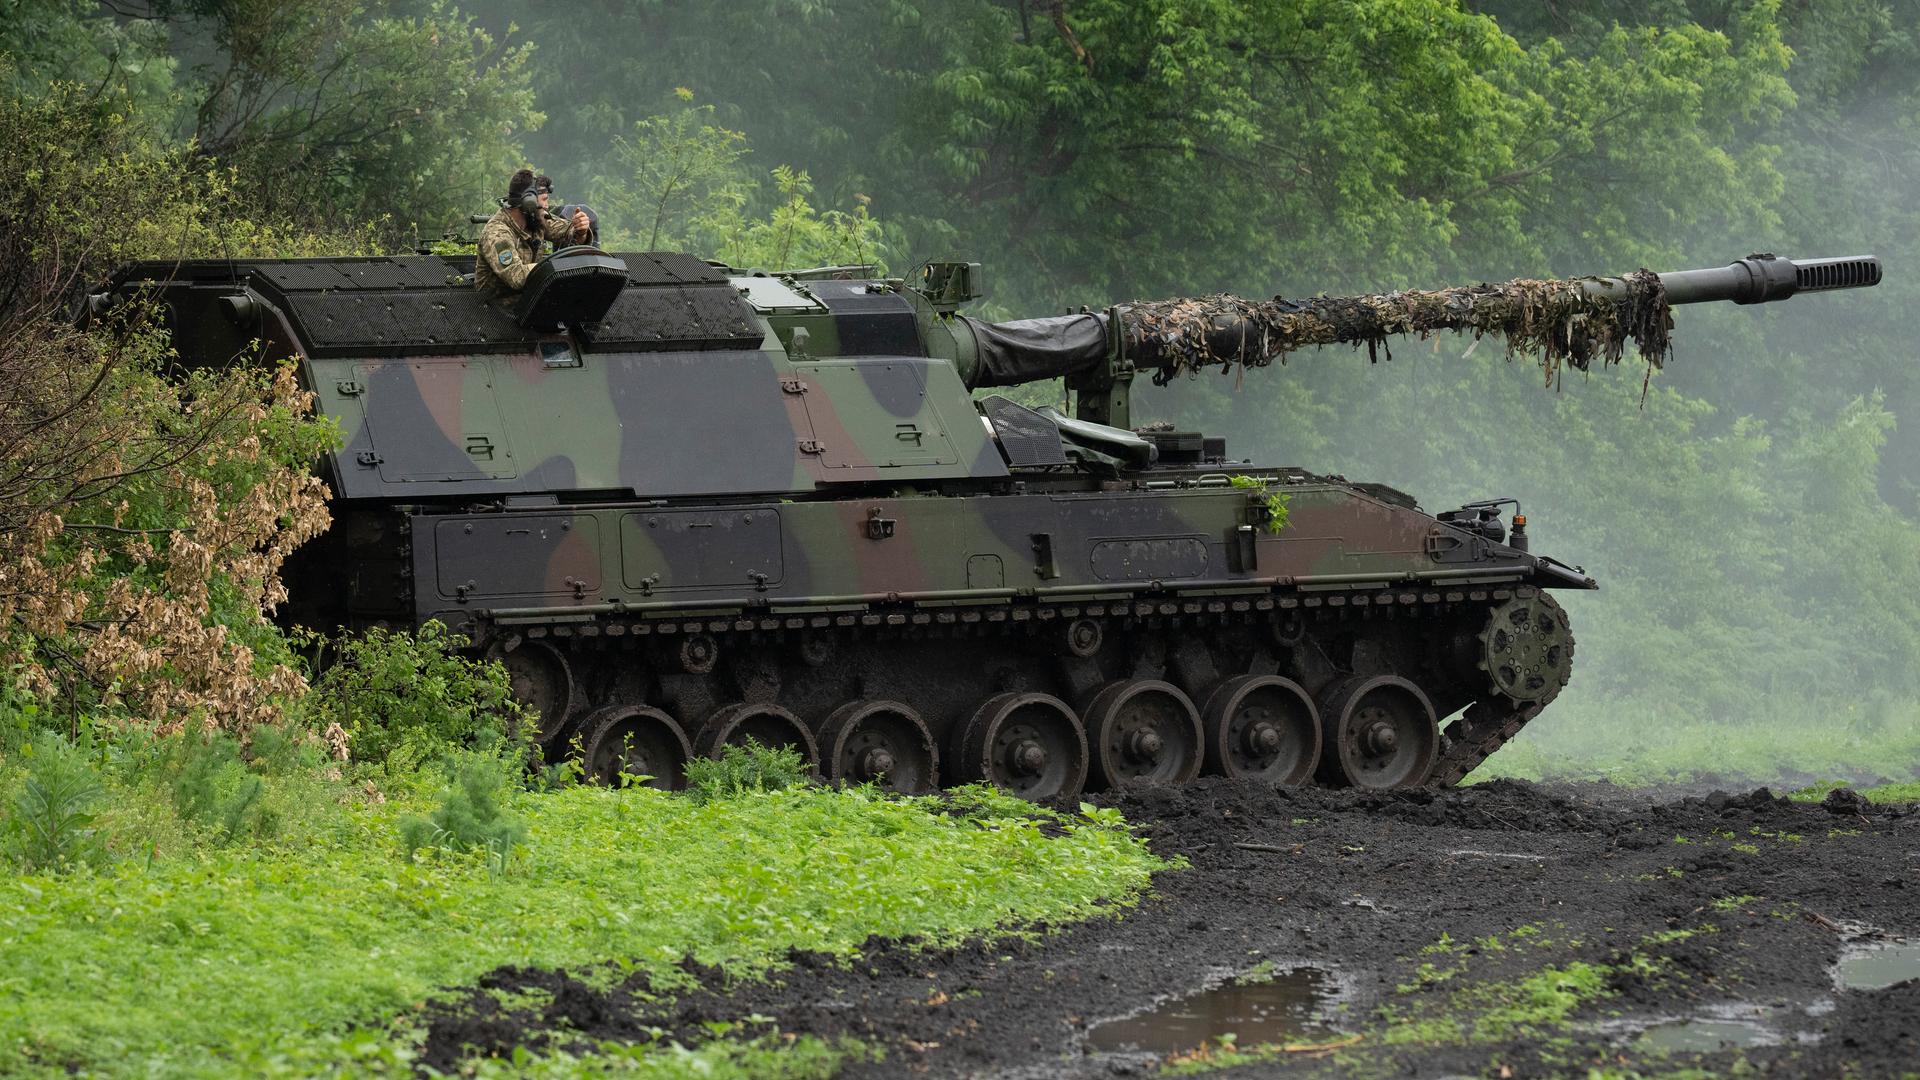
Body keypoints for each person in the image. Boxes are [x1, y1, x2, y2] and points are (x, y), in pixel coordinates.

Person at [473, 168, 592, 297]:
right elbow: (517, 277)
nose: (547, 206)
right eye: (544, 199)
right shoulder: (496, 234)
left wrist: (581, 230)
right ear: (528, 203)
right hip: (495, 309)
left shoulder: (536, 219)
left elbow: (568, 233)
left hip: (529, 302)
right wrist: (554, 266)